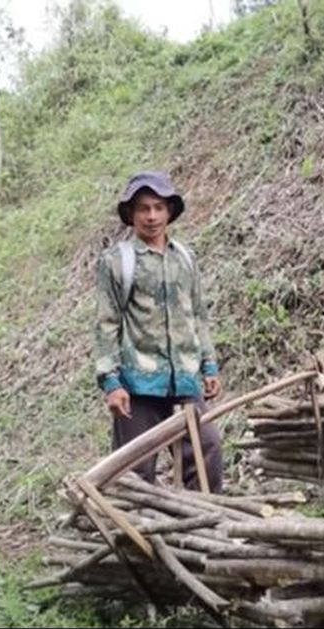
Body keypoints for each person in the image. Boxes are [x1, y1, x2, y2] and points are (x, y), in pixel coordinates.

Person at [94, 171, 224, 490]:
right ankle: (136, 535)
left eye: (158, 207)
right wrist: (111, 382)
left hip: (184, 378)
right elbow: (106, 323)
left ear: (169, 212)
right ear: (131, 214)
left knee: (207, 450)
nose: (151, 216)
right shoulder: (116, 262)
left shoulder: (185, 259)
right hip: (137, 383)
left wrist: (208, 365)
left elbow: (198, 315)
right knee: (134, 470)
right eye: (143, 208)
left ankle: (201, 528)